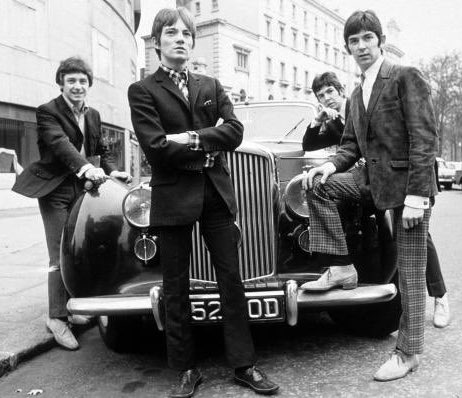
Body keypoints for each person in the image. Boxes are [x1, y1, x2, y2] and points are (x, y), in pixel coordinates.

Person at [127, 7, 279, 398]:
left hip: (215, 195)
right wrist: (207, 145)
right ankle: (186, 368)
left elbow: (234, 131)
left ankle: (245, 365)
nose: (181, 39)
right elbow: (156, 148)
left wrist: (190, 139)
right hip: (173, 199)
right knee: (175, 287)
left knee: (232, 280)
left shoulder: (210, 85)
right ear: (157, 41)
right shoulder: (143, 90)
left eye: (187, 34)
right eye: (172, 33)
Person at [301, 10, 440, 381]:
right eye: (353, 41)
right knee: (316, 186)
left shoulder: (404, 76)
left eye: (367, 38)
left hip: (408, 189)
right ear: (347, 47)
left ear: (379, 40)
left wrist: (417, 196)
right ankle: (344, 267)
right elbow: (350, 146)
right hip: (374, 185)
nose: (361, 46)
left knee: (410, 274)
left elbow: (425, 138)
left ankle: (408, 353)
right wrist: (328, 167)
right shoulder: (357, 91)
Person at [303, 72, 450, 329]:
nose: (327, 99)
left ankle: (440, 297)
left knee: (417, 234)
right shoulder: (335, 118)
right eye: (321, 96)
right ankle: (357, 269)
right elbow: (311, 143)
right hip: (372, 181)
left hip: (403, 177)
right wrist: (318, 121)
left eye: (330, 92)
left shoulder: (359, 106)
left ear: (340, 91)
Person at [12, 57, 131, 350]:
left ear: (88, 85)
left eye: (82, 81)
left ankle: (73, 307)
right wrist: (85, 167)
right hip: (55, 189)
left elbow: (101, 149)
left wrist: (112, 169)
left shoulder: (93, 114)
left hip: (83, 189)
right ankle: (56, 318)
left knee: (82, 249)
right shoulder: (47, 112)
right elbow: (60, 144)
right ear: (62, 83)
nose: (77, 86)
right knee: (58, 254)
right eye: (72, 81)